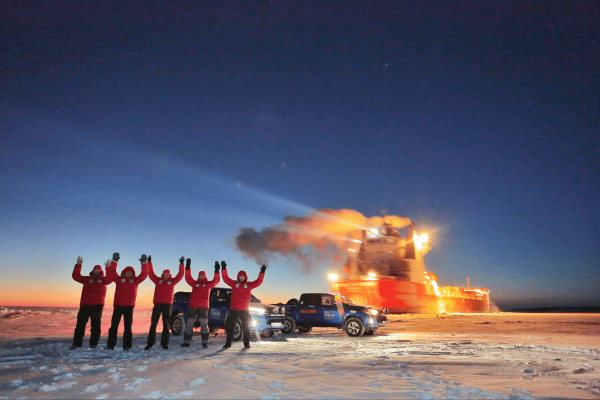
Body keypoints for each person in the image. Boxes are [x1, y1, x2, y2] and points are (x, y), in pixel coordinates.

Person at [70, 253, 116, 350]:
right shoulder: (87, 279)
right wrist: (78, 265)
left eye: (98, 270)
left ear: (101, 271)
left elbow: (110, 279)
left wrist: (108, 267)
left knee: (95, 326)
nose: (96, 271)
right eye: (95, 270)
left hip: (97, 306)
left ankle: (93, 345)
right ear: (93, 270)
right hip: (85, 305)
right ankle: (76, 344)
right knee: (80, 326)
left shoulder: (104, 280)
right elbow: (76, 276)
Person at [104, 254, 149, 351]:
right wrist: (115, 261)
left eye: (130, 272)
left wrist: (144, 263)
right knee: (113, 327)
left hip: (129, 307)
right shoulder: (119, 279)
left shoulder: (135, 280)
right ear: (124, 272)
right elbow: (112, 273)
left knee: (128, 328)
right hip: (118, 306)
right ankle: (110, 346)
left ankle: (127, 346)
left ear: (132, 273)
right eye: (127, 272)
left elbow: (144, 274)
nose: (128, 273)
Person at [221, 261, 266, 349]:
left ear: (245, 277)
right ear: (238, 277)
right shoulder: (234, 284)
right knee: (231, 327)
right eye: (240, 276)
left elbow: (258, 282)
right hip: (234, 309)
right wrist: (223, 269)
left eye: (243, 276)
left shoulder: (248, 285)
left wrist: (262, 272)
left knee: (246, 327)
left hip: (244, 310)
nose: (241, 277)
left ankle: (246, 344)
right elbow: (225, 278)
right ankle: (228, 343)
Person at [145, 256, 184, 350]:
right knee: (153, 324)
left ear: (169, 275)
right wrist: (149, 263)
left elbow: (180, 275)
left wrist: (182, 264)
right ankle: (150, 343)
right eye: (164, 274)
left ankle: (164, 343)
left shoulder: (172, 281)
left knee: (166, 325)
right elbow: (150, 274)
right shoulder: (158, 280)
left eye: (167, 274)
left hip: (167, 306)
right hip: (157, 305)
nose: (166, 276)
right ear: (163, 275)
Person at [181, 260, 220, 348]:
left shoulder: (208, 284)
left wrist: (217, 271)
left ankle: (205, 343)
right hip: (193, 306)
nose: (201, 277)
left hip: (203, 307)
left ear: (205, 276)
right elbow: (188, 278)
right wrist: (187, 267)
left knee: (204, 324)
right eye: (200, 275)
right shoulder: (194, 283)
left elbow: (216, 280)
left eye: (203, 275)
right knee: (189, 324)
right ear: (198, 276)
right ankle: (186, 342)